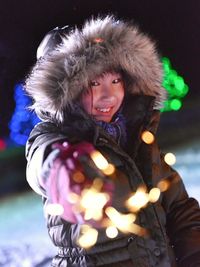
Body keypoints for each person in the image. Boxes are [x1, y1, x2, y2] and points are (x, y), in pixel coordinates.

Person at [25, 15, 200, 267]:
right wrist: (67, 172)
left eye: (115, 81)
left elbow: (181, 209)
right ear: (66, 92)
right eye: (94, 83)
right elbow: (45, 161)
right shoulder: (54, 137)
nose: (108, 95)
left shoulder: (138, 138)